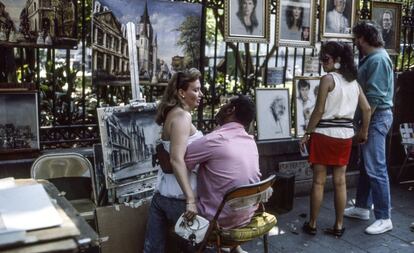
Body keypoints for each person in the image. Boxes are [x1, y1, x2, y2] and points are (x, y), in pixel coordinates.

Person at [300, 41, 371, 237]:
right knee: (340, 182)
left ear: (337, 60)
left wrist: (307, 133)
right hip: (345, 136)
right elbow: (366, 109)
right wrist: (363, 132)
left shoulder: (328, 79)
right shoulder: (353, 82)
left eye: (326, 59)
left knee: (318, 182)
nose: (323, 63)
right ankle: (339, 225)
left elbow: (319, 110)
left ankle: (312, 223)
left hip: (324, 135)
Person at [143, 68, 204, 252]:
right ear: (181, 92)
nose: (200, 94)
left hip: (163, 194)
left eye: (200, 89)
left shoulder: (174, 113)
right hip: (179, 199)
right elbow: (176, 160)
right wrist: (190, 199)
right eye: (195, 89)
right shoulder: (182, 117)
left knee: (154, 249)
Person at [344, 21, 395, 235]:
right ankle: (362, 207)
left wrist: (364, 128)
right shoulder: (374, 58)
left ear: (363, 38)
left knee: (376, 168)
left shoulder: (378, 60)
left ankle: (384, 217)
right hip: (374, 118)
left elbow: (373, 99)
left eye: (356, 38)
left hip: (375, 118)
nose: (354, 42)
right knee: (368, 166)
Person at [185, 94, 261, 230]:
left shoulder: (215, 139)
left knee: (164, 202)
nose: (220, 106)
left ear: (230, 110)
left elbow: (180, 160)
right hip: (246, 216)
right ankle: (234, 247)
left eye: (225, 103)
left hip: (218, 220)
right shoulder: (250, 141)